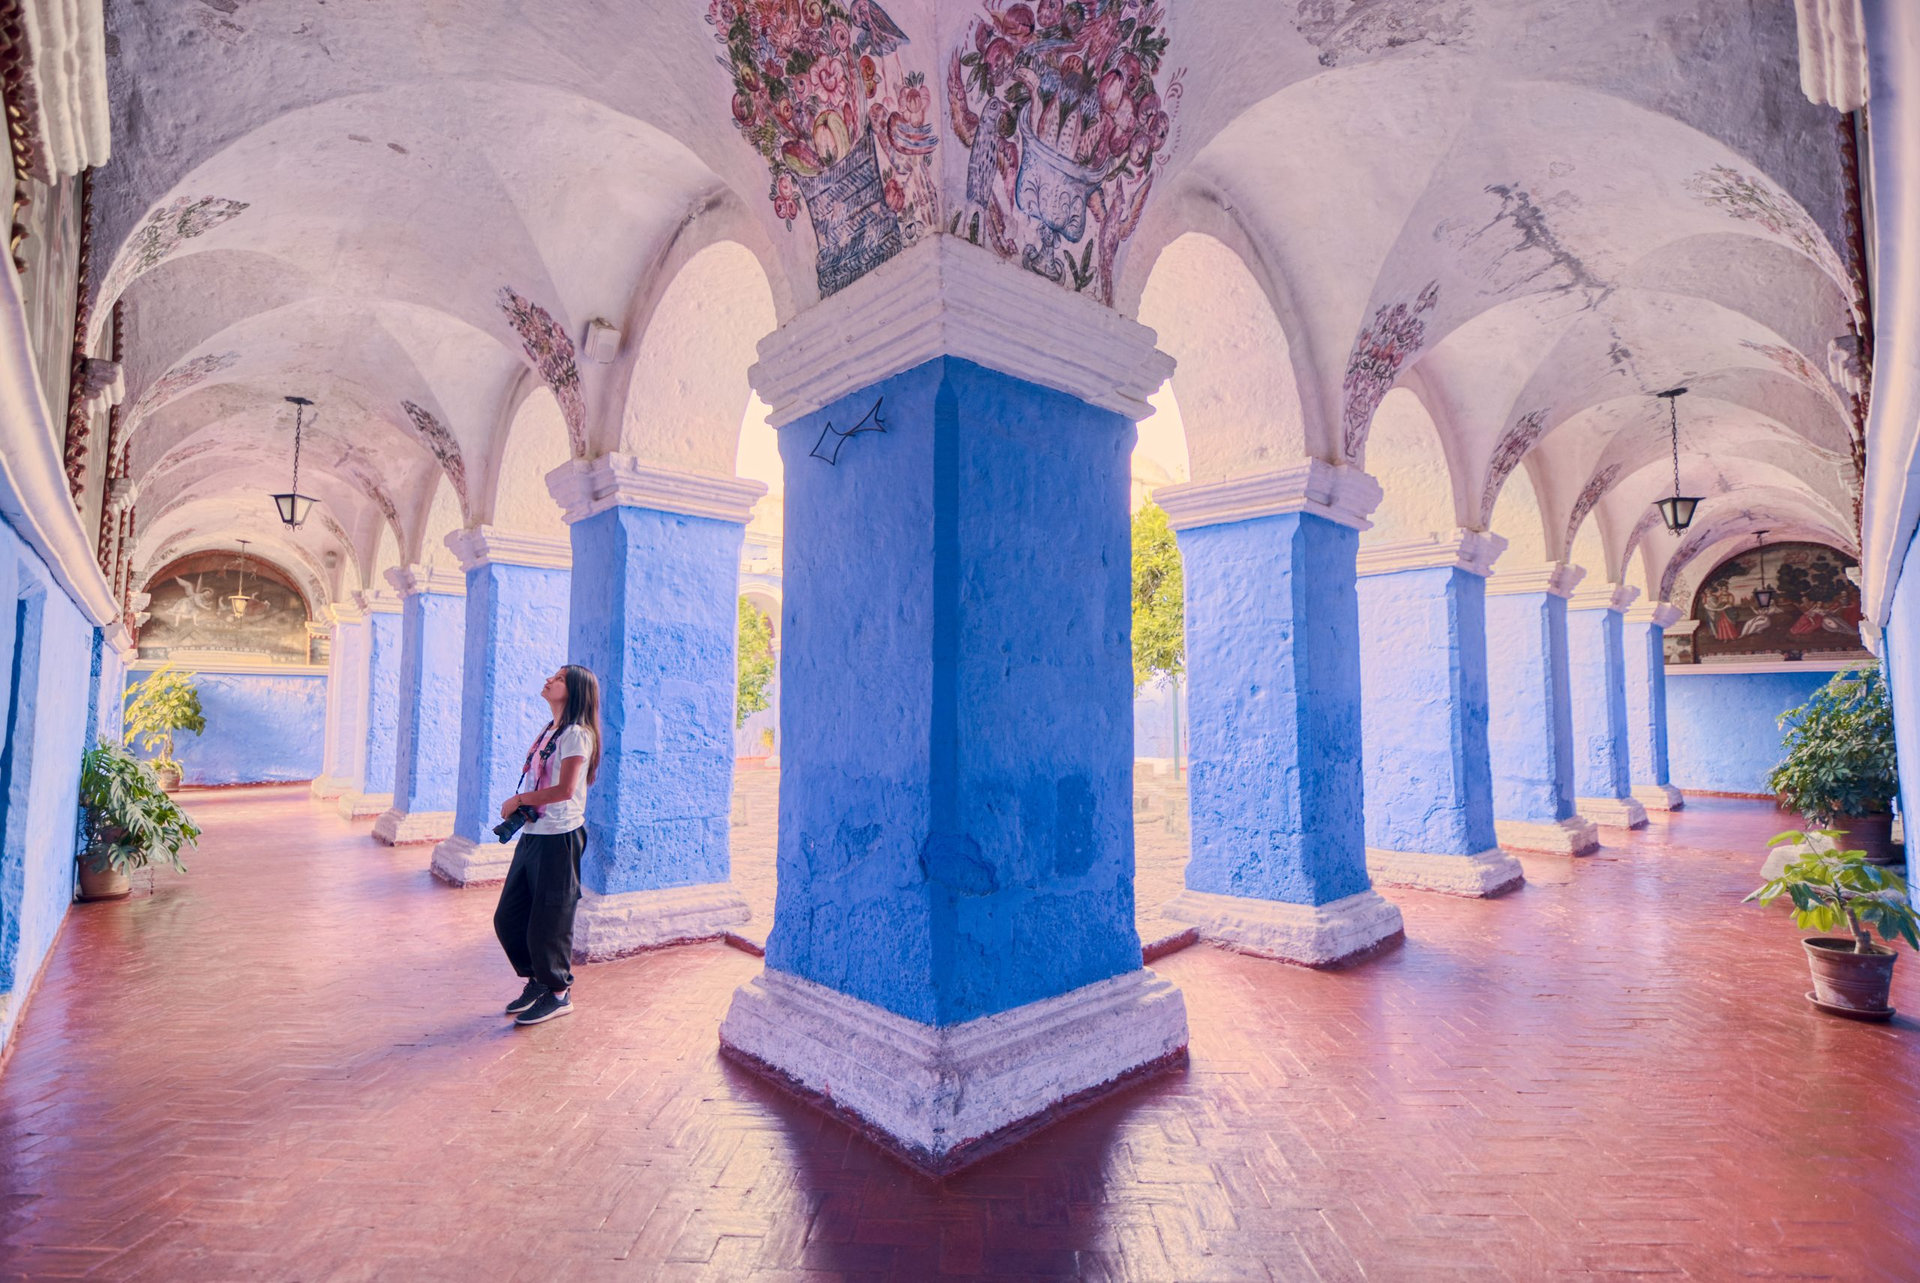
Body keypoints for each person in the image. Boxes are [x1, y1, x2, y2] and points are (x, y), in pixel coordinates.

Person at [493, 664, 602, 1026]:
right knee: (508, 917)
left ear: (574, 691)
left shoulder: (577, 735)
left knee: (550, 921)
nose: (549, 680)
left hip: (560, 837)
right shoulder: (549, 730)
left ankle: (558, 993)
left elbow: (566, 790)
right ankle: (538, 980)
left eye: (559, 679)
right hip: (534, 834)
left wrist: (520, 799)